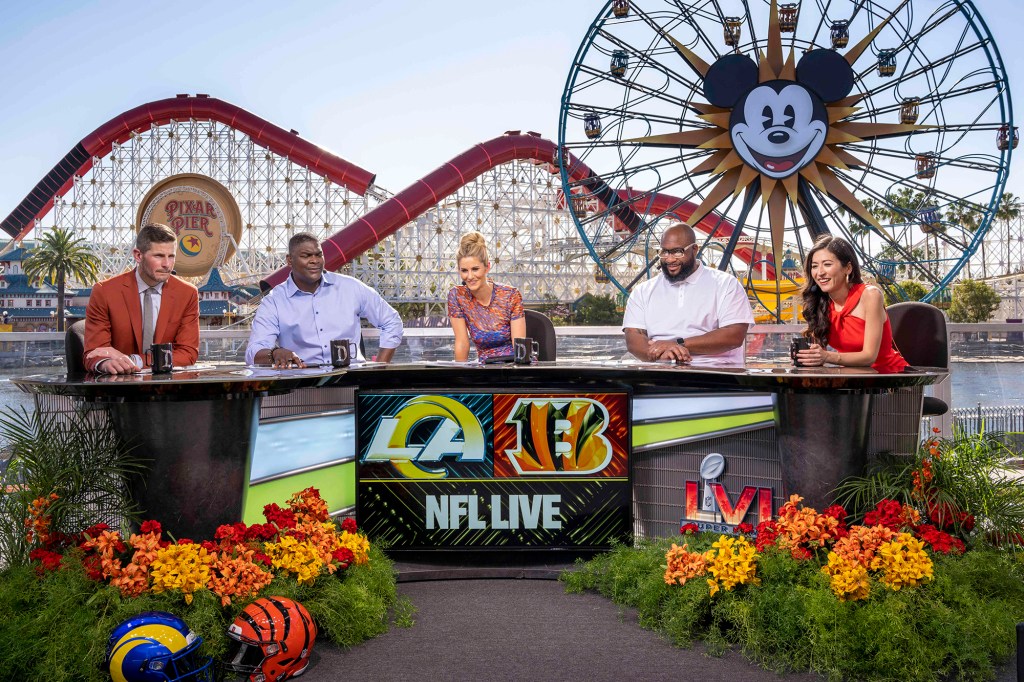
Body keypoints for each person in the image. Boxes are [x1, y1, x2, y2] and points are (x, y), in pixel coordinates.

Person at [245, 233, 403, 367]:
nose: (315, 260)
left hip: (350, 382)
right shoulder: (274, 301)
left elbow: (392, 321)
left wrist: (380, 367)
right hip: (301, 385)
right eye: (306, 256)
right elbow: (253, 352)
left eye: (318, 254)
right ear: (289, 260)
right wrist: (274, 354)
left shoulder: (351, 287)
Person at [622, 222, 754, 366]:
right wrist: (661, 353)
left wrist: (676, 345)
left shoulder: (726, 284)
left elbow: (734, 336)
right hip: (659, 374)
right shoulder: (642, 291)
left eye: (678, 252)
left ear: (694, 249)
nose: (670, 259)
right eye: (664, 252)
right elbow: (633, 337)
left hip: (716, 373)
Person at [84, 223, 199, 374]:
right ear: (138, 255)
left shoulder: (187, 293)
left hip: (167, 389)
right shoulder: (105, 291)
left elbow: (188, 354)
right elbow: (95, 353)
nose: (166, 264)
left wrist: (134, 360)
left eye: (171, 256)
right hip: (118, 388)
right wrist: (105, 363)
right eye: (158, 256)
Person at [793, 234, 908, 373]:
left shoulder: (870, 295)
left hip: (891, 381)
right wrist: (807, 357)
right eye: (815, 266)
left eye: (827, 264)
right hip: (853, 381)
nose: (820, 273)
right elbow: (819, 354)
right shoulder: (821, 304)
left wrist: (827, 356)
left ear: (848, 268)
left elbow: (869, 357)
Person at [447, 231, 525, 362]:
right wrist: (458, 379)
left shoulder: (510, 295)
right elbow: (462, 343)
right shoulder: (457, 296)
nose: (470, 276)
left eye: (475, 269)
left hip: (513, 368)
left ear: (487, 267)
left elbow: (520, 348)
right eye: (464, 270)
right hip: (485, 370)